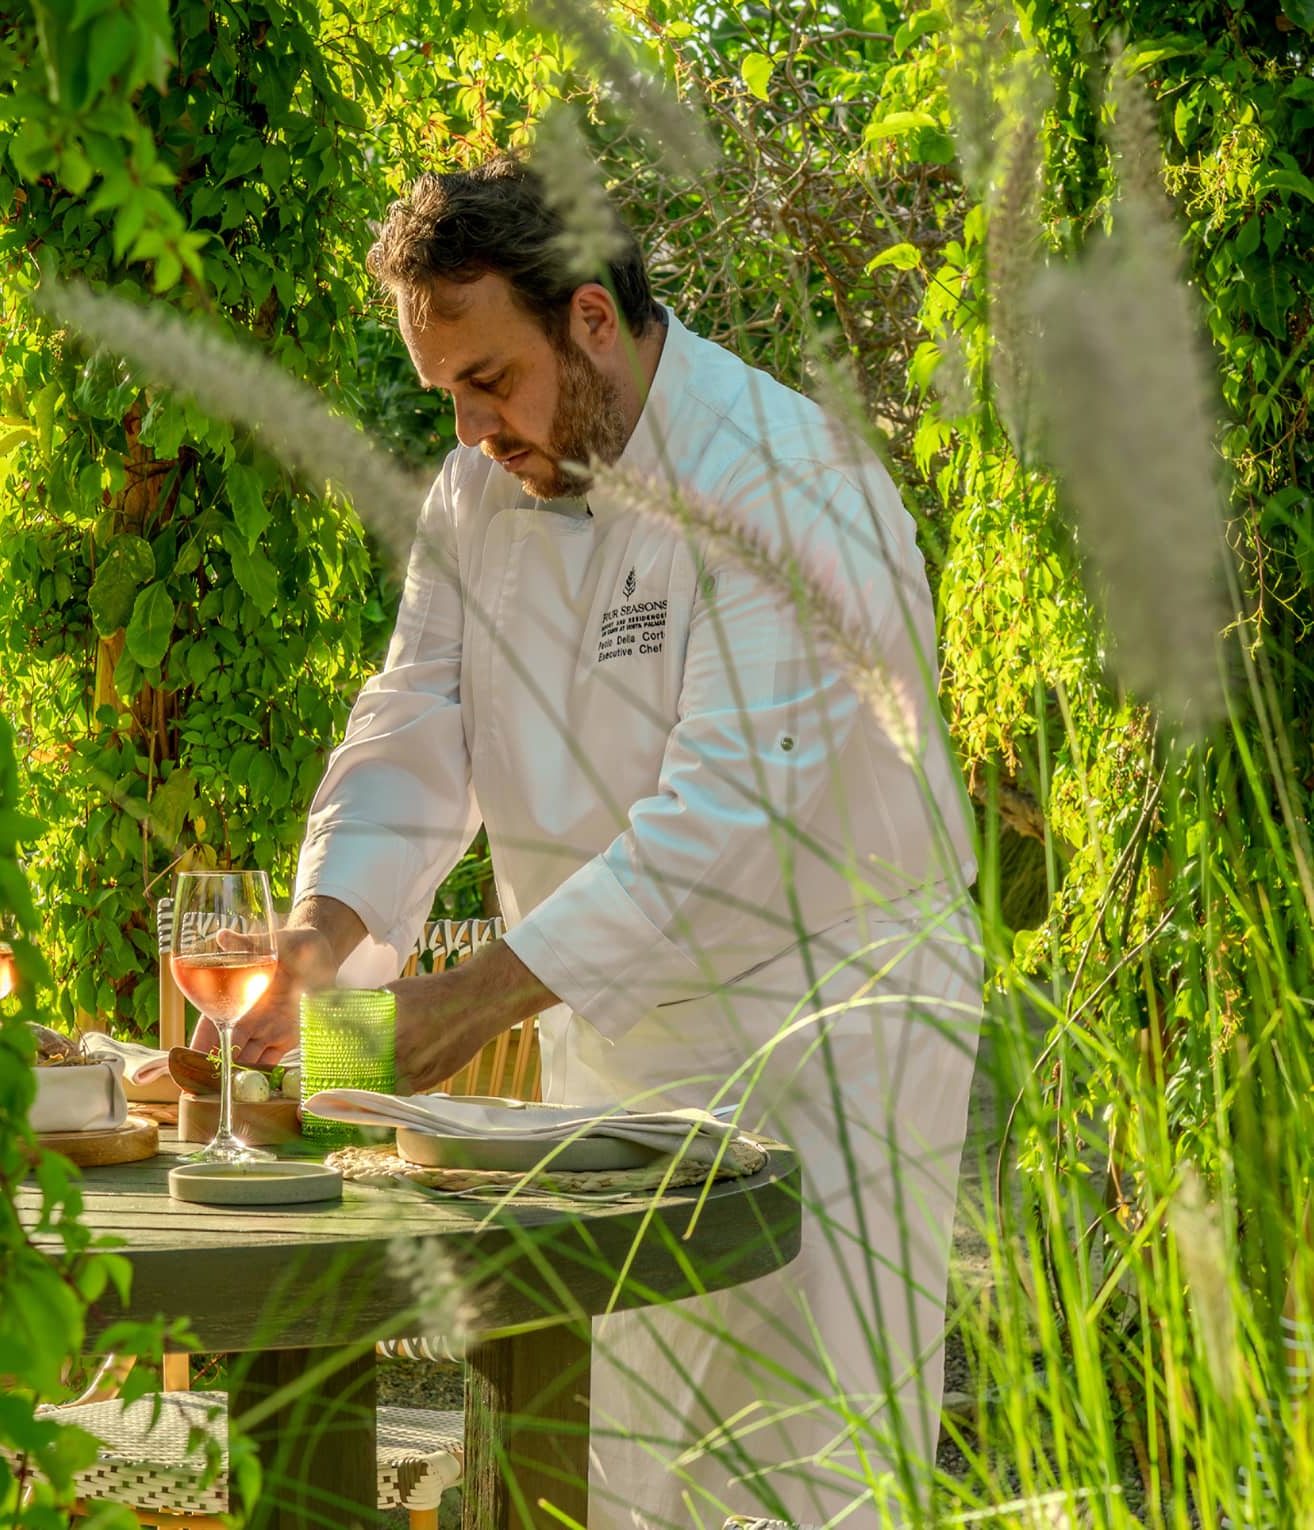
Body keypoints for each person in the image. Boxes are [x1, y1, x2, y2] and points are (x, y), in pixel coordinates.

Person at [200, 155, 982, 1528]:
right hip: (610, 1047)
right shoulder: (477, 494)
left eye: (489, 381)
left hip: (818, 1046)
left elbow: (729, 816)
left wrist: (457, 1005)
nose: (467, 429)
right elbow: (416, 715)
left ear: (592, 322)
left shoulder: (783, 477)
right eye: (444, 393)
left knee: (800, 1476)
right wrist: (327, 923)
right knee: (609, 1469)